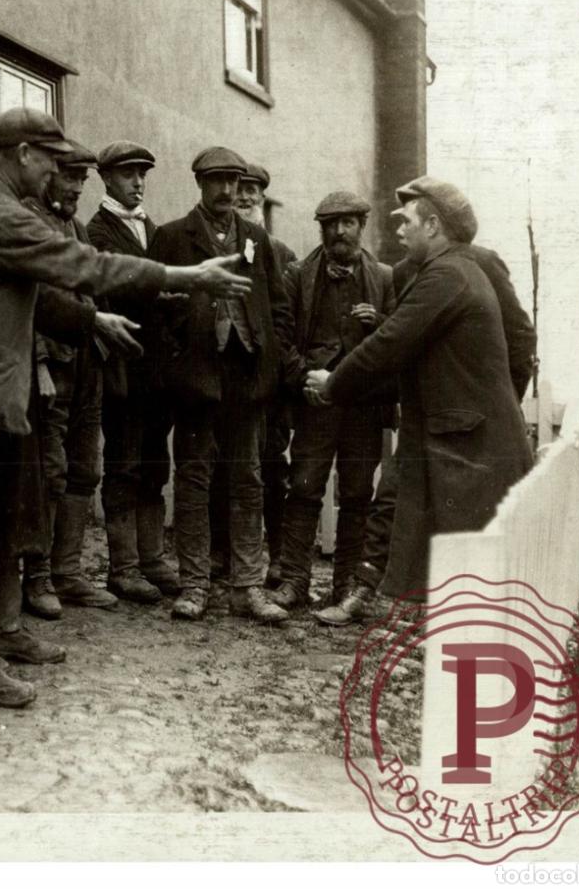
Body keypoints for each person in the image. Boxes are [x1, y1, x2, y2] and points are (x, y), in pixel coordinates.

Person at [0, 109, 253, 736]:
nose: (58, 171)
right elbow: (86, 266)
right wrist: (186, 274)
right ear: (17, 154)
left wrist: (92, 322)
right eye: (49, 158)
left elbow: (33, 294)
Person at [308, 176, 534, 602]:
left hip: (469, 441)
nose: (398, 230)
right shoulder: (443, 271)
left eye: (407, 221)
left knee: (472, 562)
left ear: (433, 226)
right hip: (452, 434)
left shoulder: (448, 274)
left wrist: (333, 383)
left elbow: (389, 342)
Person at [149, 146, 294, 623]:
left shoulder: (256, 238)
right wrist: (175, 363)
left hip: (247, 378)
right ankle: (194, 585)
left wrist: (270, 366)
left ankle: (247, 586)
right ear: (199, 184)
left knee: (248, 479)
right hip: (197, 380)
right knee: (193, 479)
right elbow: (154, 311)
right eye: (217, 180)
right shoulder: (173, 237)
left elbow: (278, 309)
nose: (227, 189)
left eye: (233, 180)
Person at [25, 142, 147, 619]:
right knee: (48, 471)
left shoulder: (75, 227)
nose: (75, 186)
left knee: (84, 468)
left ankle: (67, 572)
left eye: (81, 178)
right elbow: (27, 298)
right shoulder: (28, 220)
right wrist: (37, 364)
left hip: (84, 362)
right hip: (50, 365)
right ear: (47, 174)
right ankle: (35, 579)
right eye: (67, 176)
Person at [270, 191, 396, 614]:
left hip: (363, 405)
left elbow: (399, 339)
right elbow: (280, 339)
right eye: (331, 223)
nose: (339, 231)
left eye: (348, 222)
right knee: (304, 489)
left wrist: (376, 322)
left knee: (358, 494)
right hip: (316, 402)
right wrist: (304, 377)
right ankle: (294, 582)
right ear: (320, 228)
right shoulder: (298, 276)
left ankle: (345, 585)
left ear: (362, 225)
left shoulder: (384, 277)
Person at [85, 142, 181, 605]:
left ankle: (152, 558)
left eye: (143, 174)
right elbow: (108, 289)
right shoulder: (96, 232)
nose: (138, 182)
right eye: (128, 174)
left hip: (157, 370)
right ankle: (123, 566)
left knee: (154, 463)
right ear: (106, 178)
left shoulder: (154, 229)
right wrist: (156, 295)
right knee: (122, 463)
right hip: (123, 367)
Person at [214, 161, 297, 591]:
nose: (245, 196)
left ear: (262, 197)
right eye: (239, 189)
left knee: (270, 465)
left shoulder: (279, 253)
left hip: (270, 382)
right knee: (225, 464)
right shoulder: (219, 244)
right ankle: (224, 554)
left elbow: (285, 316)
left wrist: (276, 368)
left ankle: (277, 555)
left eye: (253, 191)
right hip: (230, 379)